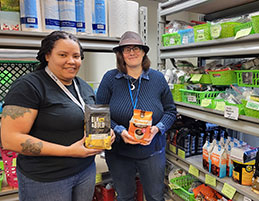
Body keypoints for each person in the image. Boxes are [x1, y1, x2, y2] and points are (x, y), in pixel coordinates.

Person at [0, 31, 115, 201]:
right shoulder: (29, 86)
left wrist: (104, 132)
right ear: (47, 55)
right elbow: (9, 139)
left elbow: (86, 120)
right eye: (63, 55)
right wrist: (68, 151)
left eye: (76, 56)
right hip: (47, 179)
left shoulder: (83, 86)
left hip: (84, 171)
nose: (71, 61)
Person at [96, 31, 177, 201]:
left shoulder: (157, 79)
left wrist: (156, 129)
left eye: (136, 48)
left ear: (143, 52)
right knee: (124, 197)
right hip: (119, 153)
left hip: (152, 151)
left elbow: (170, 111)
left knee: (155, 196)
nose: (132, 52)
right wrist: (119, 130)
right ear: (120, 54)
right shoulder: (110, 79)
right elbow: (99, 114)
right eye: (127, 49)